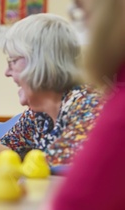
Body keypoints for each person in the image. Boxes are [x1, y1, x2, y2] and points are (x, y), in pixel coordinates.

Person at [0, 13, 103, 166]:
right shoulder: (36, 115)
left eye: (12, 61)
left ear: (40, 62)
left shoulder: (88, 105)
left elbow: (67, 166)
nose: (7, 72)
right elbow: (4, 151)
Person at [52, 0, 125, 209]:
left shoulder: (84, 100)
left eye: (13, 61)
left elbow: (74, 198)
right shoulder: (33, 113)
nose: (7, 71)